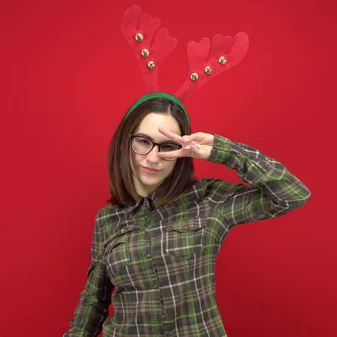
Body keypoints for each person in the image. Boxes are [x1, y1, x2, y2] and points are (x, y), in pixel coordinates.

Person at [63, 5, 311, 336]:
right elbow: (93, 304)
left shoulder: (209, 200)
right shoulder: (107, 220)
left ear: (182, 151)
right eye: (143, 141)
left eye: (167, 146)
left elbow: (291, 195)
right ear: (125, 142)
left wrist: (222, 150)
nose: (153, 157)